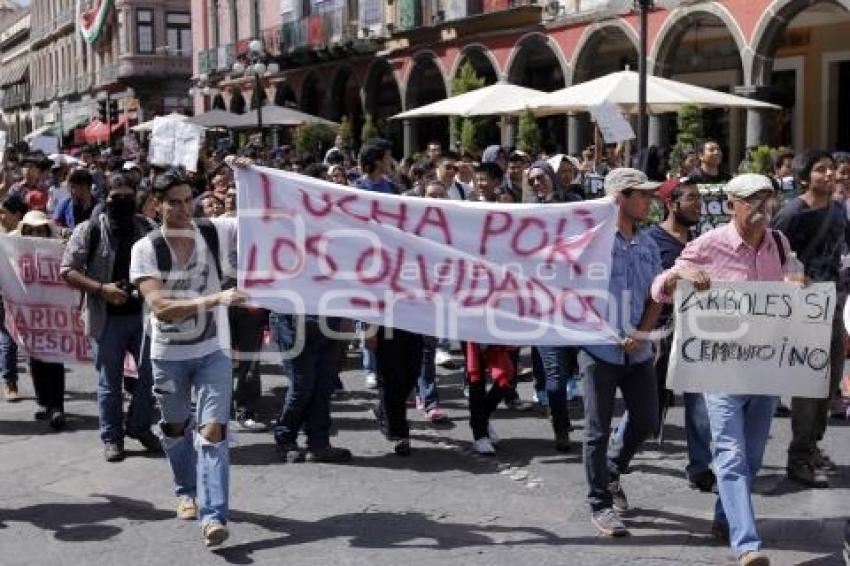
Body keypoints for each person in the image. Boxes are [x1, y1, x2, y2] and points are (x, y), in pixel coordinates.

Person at [653, 174, 791, 566]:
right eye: (752, 200)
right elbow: (658, 287)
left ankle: (723, 515)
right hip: (720, 369)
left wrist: (798, 281)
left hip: (764, 368)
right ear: (731, 205)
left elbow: (794, 279)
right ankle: (746, 544)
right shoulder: (708, 244)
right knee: (730, 453)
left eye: (767, 198)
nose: (762, 206)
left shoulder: (779, 244)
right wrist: (680, 275)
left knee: (752, 455)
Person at [130, 167, 246, 547]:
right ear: (157, 205)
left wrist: (247, 175)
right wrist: (217, 299)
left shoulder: (213, 231)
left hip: (213, 351)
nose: (184, 209)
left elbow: (262, 219)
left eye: (188, 201)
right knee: (177, 428)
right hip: (167, 356)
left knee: (213, 432)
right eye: (174, 203)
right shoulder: (146, 248)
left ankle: (213, 517)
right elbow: (161, 307)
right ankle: (185, 490)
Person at [581, 168, 662, 538]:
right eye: (642, 194)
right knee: (596, 429)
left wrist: (643, 331)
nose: (649, 200)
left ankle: (613, 469)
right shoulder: (592, 242)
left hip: (639, 351)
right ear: (620, 199)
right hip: (599, 349)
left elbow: (657, 295)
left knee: (647, 419)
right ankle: (600, 503)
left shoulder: (646, 244)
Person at [61, 173, 161, 462]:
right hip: (105, 318)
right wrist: (101, 289)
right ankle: (112, 438)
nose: (124, 202)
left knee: (152, 376)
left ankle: (140, 427)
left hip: (143, 316)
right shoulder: (88, 230)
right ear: (106, 198)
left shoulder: (147, 228)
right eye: (118, 197)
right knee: (109, 382)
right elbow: (67, 269)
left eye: (130, 197)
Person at [771, 150, 845, 488]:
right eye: (820, 170)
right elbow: (772, 255)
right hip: (802, 308)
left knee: (830, 380)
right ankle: (798, 457)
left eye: (831, 170)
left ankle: (812, 444)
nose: (829, 175)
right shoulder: (792, 212)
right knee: (808, 382)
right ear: (804, 178)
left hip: (832, 303)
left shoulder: (838, 210)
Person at [651, 176, 714, 492]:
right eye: (691, 198)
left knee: (699, 404)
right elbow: (652, 287)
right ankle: (617, 456)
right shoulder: (651, 240)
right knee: (647, 407)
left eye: (700, 199)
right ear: (670, 204)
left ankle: (700, 467)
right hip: (660, 335)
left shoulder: (702, 241)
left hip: (695, 335)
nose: (698, 205)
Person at [15, 211, 68, 429]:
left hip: (53, 314)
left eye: (40, 230)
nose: (35, 234)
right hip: (30, 315)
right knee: (35, 359)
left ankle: (57, 406)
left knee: (54, 359)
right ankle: (45, 402)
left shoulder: (59, 250)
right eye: (31, 231)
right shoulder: (15, 251)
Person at [0, 195, 27, 401]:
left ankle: (11, 381)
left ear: (17, 215)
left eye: (4, 212)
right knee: (8, 338)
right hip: (3, 294)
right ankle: (9, 381)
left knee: (18, 338)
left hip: (24, 295)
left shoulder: (29, 235)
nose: (0, 216)